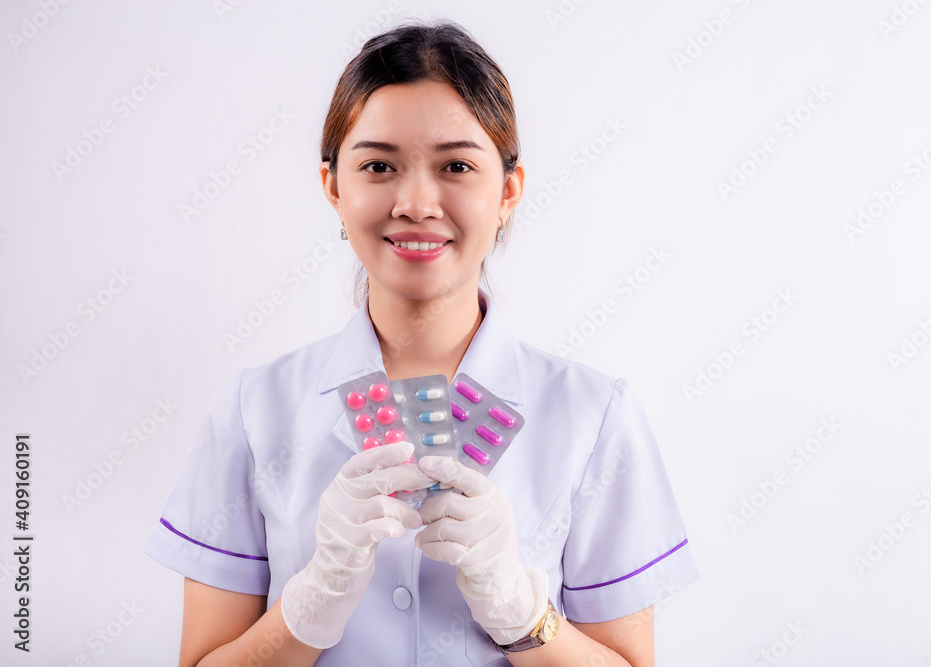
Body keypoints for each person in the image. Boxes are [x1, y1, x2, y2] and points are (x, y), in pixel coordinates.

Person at [145, 19, 700, 666]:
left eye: (456, 165)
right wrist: (307, 607)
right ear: (333, 185)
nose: (415, 202)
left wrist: (524, 614)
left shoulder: (596, 415)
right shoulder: (253, 409)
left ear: (508, 191)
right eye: (378, 165)